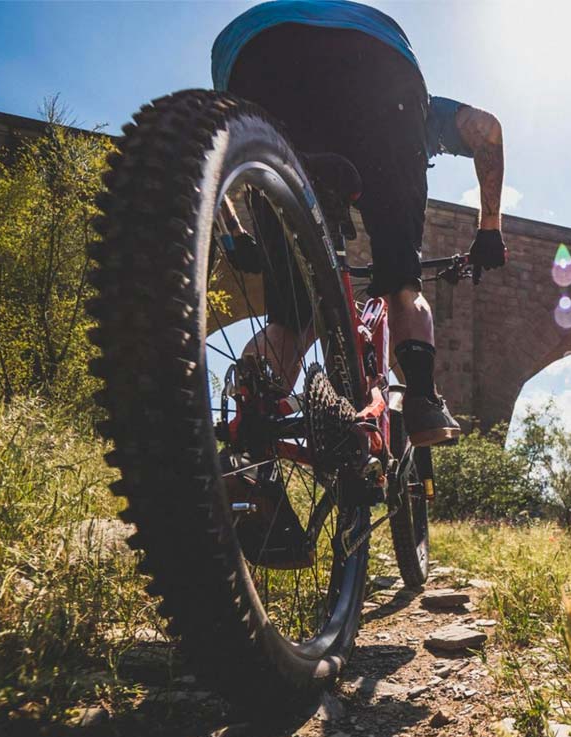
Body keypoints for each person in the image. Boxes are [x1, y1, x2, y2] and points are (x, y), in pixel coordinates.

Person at [211, 0, 507, 447]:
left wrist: (234, 235)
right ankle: (424, 400)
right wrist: (489, 229)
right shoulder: (430, 117)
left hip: (255, 57)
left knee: (290, 319)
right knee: (403, 285)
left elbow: (212, 153)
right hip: (378, 69)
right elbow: (486, 128)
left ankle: (252, 426)